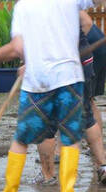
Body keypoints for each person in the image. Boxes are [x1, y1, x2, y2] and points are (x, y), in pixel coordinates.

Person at [0, 0, 105, 191]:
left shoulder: (24, 6)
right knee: (70, 136)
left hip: (38, 82)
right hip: (68, 78)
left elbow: (17, 48)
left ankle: (12, 188)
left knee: (22, 139)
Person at [34, 11, 106, 186]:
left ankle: (48, 176)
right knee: (86, 113)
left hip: (63, 63)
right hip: (81, 58)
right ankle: (103, 166)